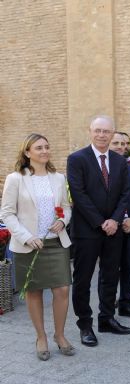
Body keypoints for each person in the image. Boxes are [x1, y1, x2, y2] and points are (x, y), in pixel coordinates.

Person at [0, 133, 75, 360]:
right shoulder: (16, 179)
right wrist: (25, 236)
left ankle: (59, 335)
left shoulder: (58, 178)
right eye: (39, 148)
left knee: (62, 289)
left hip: (55, 243)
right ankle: (41, 337)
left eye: (47, 147)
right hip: (29, 245)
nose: (44, 151)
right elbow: (7, 213)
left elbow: (66, 207)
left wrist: (63, 220)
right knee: (34, 292)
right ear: (27, 152)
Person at [67, 115, 130, 347]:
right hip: (87, 230)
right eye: (98, 131)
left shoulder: (119, 161)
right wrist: (100, 222)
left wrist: (114, 220)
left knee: (109, 275)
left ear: (112, 133)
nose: (102, 135)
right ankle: (85, 324)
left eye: (106, 131)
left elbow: (126, 193)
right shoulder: (77, 159)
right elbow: (79, 194)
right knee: (83, 279)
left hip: (113, 230)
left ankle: (107, 318)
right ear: (90, 131)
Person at [109, 133, 130, 320]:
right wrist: (113, 220)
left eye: (123, 143)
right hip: (109, 228)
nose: (120, 146)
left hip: (129, 227)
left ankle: (126, 304)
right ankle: (107, 308)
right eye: (116, 143)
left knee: (128, 267)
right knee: (109, 270)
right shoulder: (102, 168)